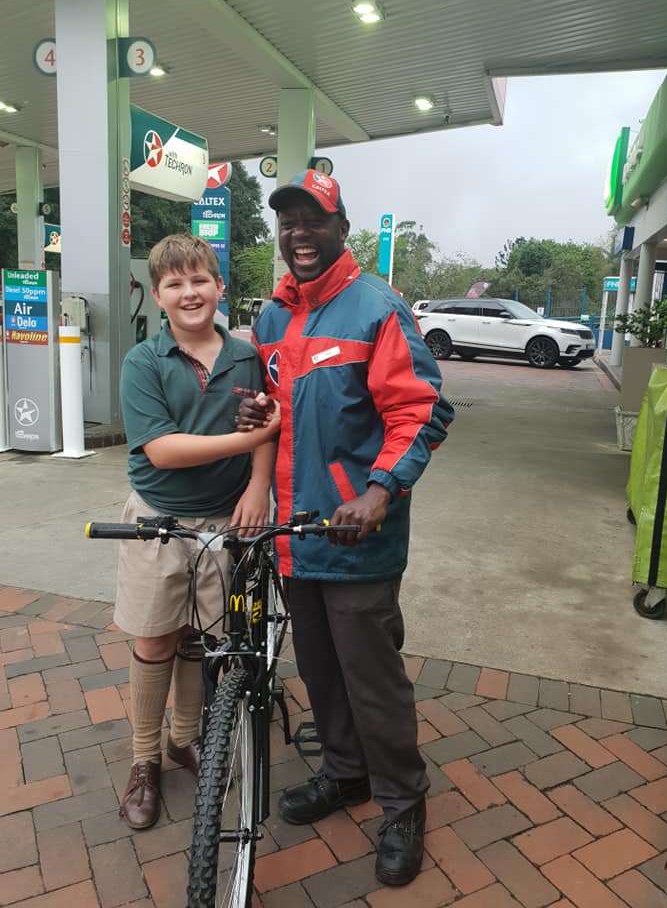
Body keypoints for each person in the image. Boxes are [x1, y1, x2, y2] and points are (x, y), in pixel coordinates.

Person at [237, 170, 454, 886]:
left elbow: (422, 411)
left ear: (341, 229)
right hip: (295, 536)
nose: (298, 234)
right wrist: (255, 418)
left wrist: (379, 491)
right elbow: (277, 408)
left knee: (372, 677)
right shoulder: (273, 317)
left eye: (313, 221)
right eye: (287, 223)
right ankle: (344, 771)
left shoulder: (376, 309)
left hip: (357, 537)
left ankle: (402, 802)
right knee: (320, 670)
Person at [114, 233, 279, 830]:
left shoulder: (244, 356)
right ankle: (143, 760)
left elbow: (268, 423)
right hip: (159, 519)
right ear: (158, 295)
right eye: (175, 284)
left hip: (225, 521)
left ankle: (185, 739)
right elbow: (161, 450)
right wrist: (251, 440)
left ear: (219, 286)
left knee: (200, 639)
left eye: (199, 280)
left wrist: (258, 483)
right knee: (156, 638)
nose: (190, 293)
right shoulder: (143, 362)